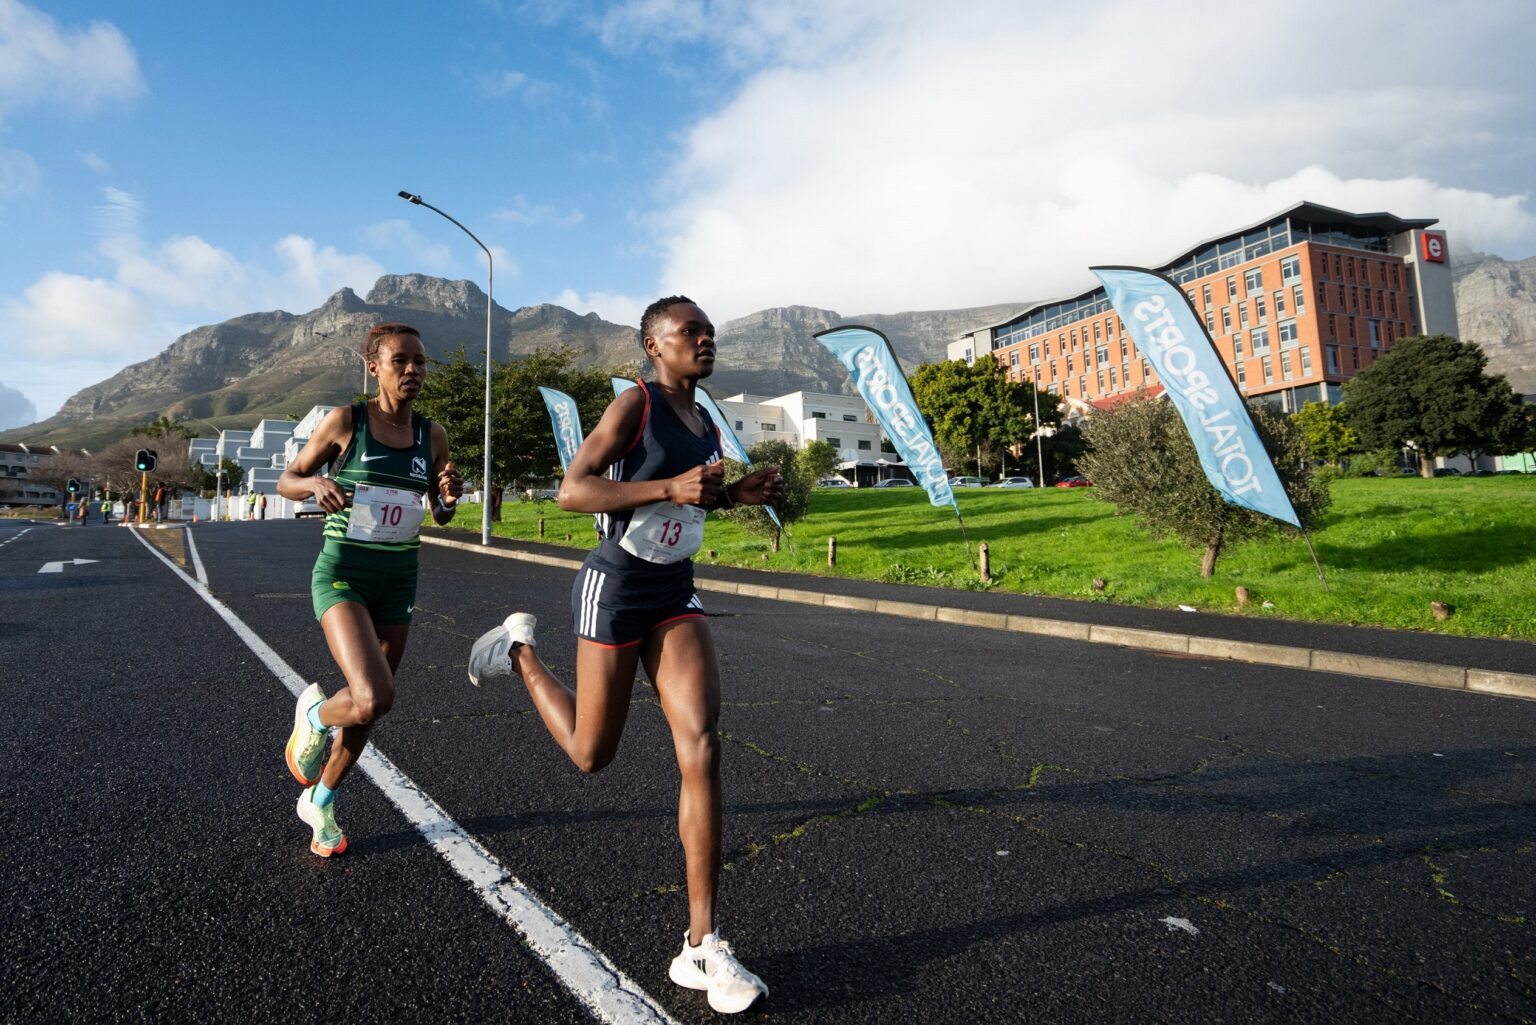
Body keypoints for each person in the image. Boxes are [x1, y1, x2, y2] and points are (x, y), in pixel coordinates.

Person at [467, 296, 781, 1014]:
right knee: (589, 753)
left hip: (675, 592)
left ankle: (702, 942)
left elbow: (685, 504)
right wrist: (671, 483)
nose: (704, 340)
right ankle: (519, 649)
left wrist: (731, 492)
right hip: (614, 590)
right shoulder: (633, 406)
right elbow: (573, 489)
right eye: (689, 332)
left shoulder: (703, 417)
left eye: (709, 330)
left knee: (701, 744)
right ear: (652, 345)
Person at [277, 322, 463, 857]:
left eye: (420, 362)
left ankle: (322, 800)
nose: (413, 371)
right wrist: (315, 482)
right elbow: (288, 481)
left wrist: (449, 495)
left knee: (370, 707)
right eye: (401, 360)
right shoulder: (345, 422)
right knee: (374, 694)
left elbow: (441, 515)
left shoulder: (434, 436)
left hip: (399, 578)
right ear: (373, 366)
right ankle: (313, 716)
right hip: (343, 573)